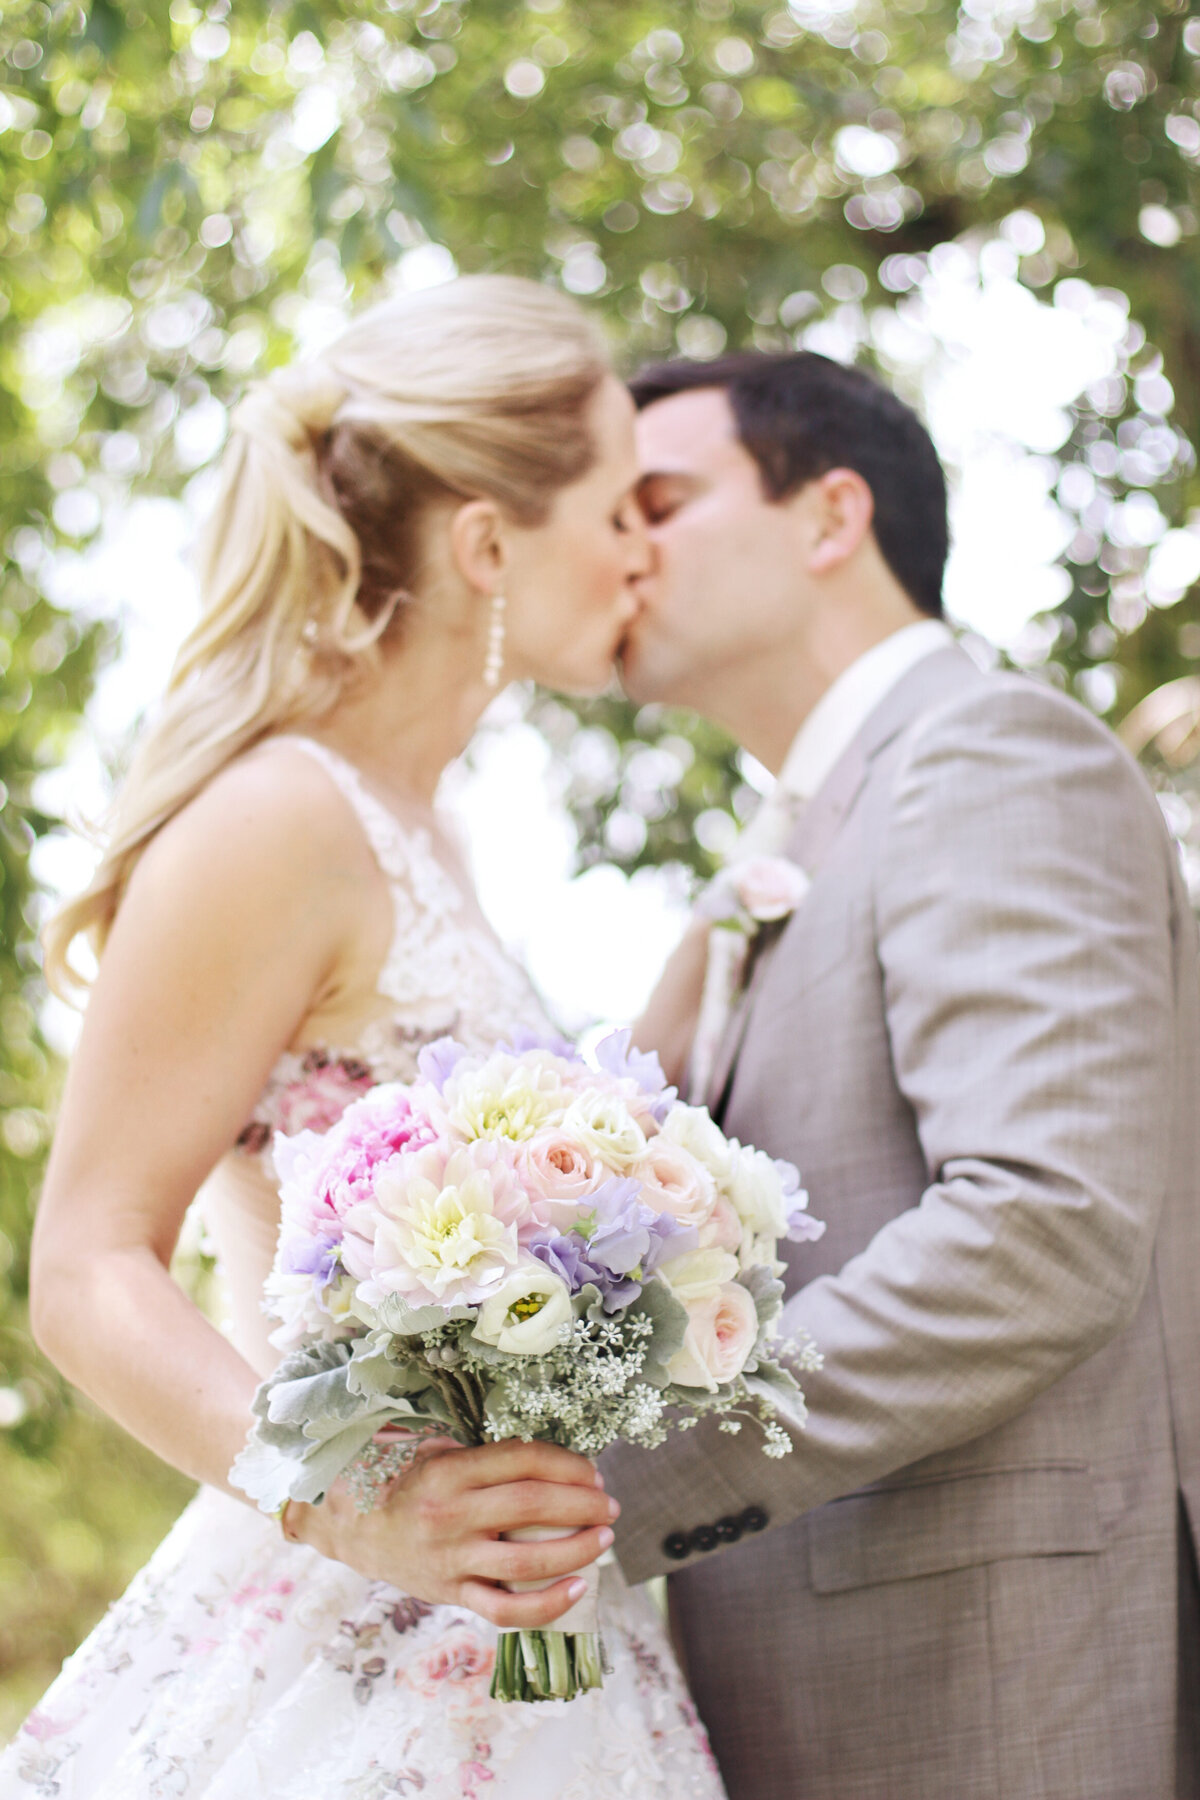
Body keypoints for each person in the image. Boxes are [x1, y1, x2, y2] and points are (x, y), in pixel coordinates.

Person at [0, 276, 726, 1800]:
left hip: (536, 1648)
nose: (647, 553)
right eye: (616, 512)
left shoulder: (429, 832)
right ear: (484, 545)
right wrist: (353, 1508)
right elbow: (83, 1266)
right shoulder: (275, 818)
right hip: (344, 1638)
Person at [605, 350, 1200, 1800]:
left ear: (829, 517)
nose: (617, 550)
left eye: (660, 503)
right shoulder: (792, 843)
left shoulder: (984, 753)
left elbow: (1043, 1225)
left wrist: (628, 1483)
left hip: (1005, 1682)